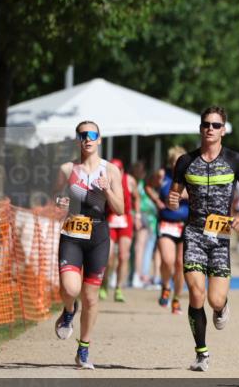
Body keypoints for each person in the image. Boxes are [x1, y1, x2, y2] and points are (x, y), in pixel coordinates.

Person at [168, 106, 239, 372]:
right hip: (194, 233)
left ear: (224, 130)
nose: (210, 129)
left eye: (216, 125)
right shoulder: (185, 161)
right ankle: (201, 353)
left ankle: (222, 307)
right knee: (196, 292)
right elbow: (175, 195)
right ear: (200, 128)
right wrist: (174, 201)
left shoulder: (235, 160)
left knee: (215, 300)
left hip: (220, 237)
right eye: (206, 124)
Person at [52, 120, 125, 369]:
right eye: (83, 135)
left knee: (91, 297)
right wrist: (59, 202)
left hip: (98, 234)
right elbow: (55, 195)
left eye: (92, 134)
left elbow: (121, 209)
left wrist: (107, 192)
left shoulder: (111, 171)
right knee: (71, 289)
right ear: (78, 140)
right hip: (73, 231)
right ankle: (69, 310)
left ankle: (83, 350)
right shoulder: (67, 168)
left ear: (100, 139)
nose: (87, 138)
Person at [148, 146, 189, 315]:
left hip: (186, 224)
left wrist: (187, 194)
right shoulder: (162, 175)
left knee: (180, 264)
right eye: (175, 162)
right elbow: (148, 186)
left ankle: (177, 299)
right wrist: (157, 200)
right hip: (166, 223)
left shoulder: (191, 177)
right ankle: (166, 285)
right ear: (170, 162)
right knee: (167, 260)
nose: (178, 166)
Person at [101, 158, 137, 302]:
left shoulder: (130, 180)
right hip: (110, 219)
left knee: (124, 256)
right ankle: (104, 284)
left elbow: (137, 197)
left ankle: (119, 288)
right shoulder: (104, 180)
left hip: (125, 221)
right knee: (108, 257)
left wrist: (138, 215)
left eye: (118, 170)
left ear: (122, 171)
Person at [135, 163, 160, 288]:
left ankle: (143, 275)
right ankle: (140, 275)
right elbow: (141, 202)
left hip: (151, 221)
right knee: (143, 247)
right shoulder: (141, 186)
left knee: (148, 248)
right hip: (145, 219)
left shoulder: (144, 186)